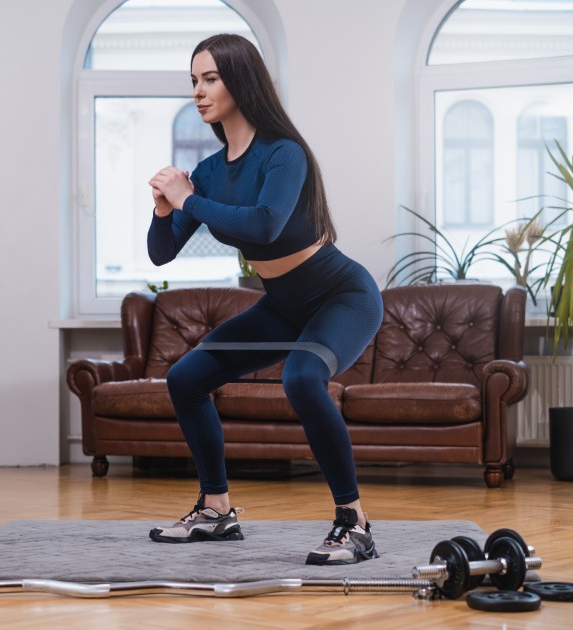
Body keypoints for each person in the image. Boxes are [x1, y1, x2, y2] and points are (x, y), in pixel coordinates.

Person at [145, 33, 383, 566]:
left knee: (302, 376)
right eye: (194, 81)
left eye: (211, 78)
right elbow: (162, 254)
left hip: (341, 296)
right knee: (185, 378)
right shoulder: (207, 172)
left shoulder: (284, 153)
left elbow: (267, 225)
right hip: (281, 304)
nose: (199, 92)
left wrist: (188, 198)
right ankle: (216, 510)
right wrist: (165, 208)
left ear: (241, 79)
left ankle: (356, 523)